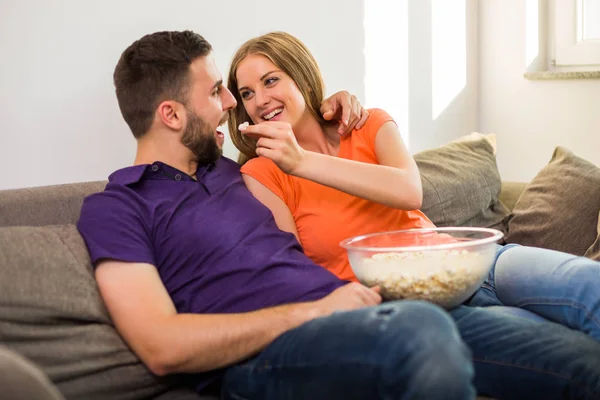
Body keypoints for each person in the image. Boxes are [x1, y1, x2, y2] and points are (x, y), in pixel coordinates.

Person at [76, 30, 600, 400]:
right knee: (420, 330)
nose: (233, 104)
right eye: (217, 92)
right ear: (170, 114)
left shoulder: (236, 175)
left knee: (578, 358)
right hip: (271, 355)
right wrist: (314, 311)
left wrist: (335, 104)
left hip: (370, 314)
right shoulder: (118, 208)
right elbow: (161, 346)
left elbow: (334, 178)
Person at [229, 31, 600, 342]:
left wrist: (304, 161)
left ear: (303, 78)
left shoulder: (366, 123)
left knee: (589, 285)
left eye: (270, 80)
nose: (260, 100)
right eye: (246, 94)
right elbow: (293, 273)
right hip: (413, 302)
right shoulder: (263, 174)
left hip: (470, 261)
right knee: (566, 347)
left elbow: (409, 190)